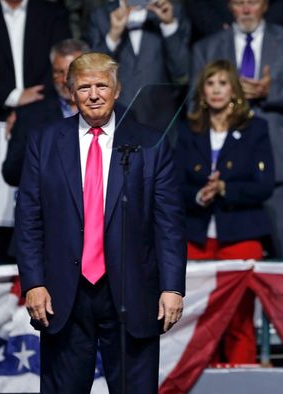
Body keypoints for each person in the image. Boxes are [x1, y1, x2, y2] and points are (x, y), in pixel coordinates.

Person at [15, 52, 186, 393]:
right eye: (84, 87)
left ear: (117, 90)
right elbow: (29, 220)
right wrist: (33, 283)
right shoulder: (45, 141)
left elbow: (168, 223)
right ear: (70, 92)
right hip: (64, 295)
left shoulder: (150, 142)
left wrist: (172, 287)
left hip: (132, 292)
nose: (93, 95)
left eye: (101, 86)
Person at [191, 0, 283, 259]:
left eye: (253, 2)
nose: (246, 9)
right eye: (239, 3)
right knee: (235, 255)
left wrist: (271, 92)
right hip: (226, 168)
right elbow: (194, 103)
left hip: (280, 160)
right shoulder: (208, 47)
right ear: (229, 6)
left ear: (266, 5)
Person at [0, 0, 71, 264]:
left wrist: (28, 112)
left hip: (42, 123)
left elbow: (63, 67)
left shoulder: (52, 13)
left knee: (42, 223)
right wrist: (14, 98)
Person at [177, 60, 274, 363]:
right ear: (202, 91)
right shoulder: (187, 129)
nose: (216, 90)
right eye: (210, 83)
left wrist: (225, 190)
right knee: (197, 320)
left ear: (234, 89)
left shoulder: (256, 128)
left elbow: (265, 184)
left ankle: (240, 377)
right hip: (196, 237)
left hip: (241, 236)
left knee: (238, 318)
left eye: (223, 83)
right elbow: (172, 184)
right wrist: (198, 196)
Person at [84, 0, 190, 129]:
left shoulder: (171, 11)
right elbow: (91, 73)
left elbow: (182, 70)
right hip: (114, 118)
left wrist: (168, 25)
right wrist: (113, 35)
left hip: (160, 119)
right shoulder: (101, 16)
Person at [3, 39, 90, 187]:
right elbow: (11, 173)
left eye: (73, 72)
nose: (65, 80)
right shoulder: (30, 116)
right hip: (50, 204)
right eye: (59, 72)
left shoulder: (110, 112)